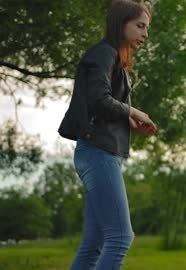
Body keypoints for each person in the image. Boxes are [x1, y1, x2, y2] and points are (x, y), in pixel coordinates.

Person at [57, 1, 156, 269]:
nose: (145, 34)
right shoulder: (103, 53)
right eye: (140, 26)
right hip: (98, 153)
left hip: (101, 153)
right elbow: (99, 99)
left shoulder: (115, 60)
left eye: (147, 28)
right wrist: (135, 111)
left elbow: (105, 105)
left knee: (94, 244)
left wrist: (129, 120)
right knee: (121, 237)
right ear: (120, 23)